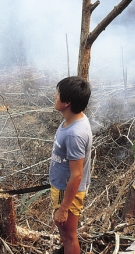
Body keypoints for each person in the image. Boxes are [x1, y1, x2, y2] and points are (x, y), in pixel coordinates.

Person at [50, 76, 92, 254]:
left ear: (67, 102)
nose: (55, 96)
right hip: (62, 188)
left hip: (66, 192)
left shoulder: (75, 134)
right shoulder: (73, 119)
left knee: (69, 237)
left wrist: (63, 208)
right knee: (66, 236)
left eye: (58, 94)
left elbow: (77, 175)